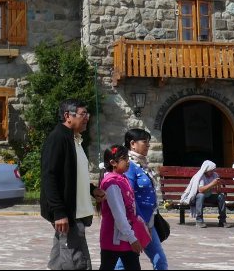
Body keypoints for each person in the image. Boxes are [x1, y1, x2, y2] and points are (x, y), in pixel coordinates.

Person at [40, 99, 103, 270]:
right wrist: (59, 212)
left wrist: (92, 190)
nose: (87, 118)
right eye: (83, 114)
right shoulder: (58, 139)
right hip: (68, 213)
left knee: (60, 259)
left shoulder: (74, 140)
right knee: (77, 262)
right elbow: (49, 177)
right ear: (68, 116)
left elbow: (73, 176)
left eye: (87, 114)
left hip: (74, 211)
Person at [117, 129, 166, 270]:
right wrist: (138, 221)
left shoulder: (143, 164)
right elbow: (129, 195)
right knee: (124, 263)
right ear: (132, 144)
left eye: (149, 142)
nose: (148, 145)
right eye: (145, 142)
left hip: (148, 221)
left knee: (160, 260)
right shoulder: (130, 166)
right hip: (136, 223)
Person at [99, 145, 150, 271]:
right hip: (114, 238)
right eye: (124, 158)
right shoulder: (111, 183)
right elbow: (119, 215)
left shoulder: (123, 178)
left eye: (127, 157)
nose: (128, 161)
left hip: (125, 236)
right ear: (113, 163)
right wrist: (132, 238)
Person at [183, 160, 227, 228]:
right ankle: (199, 220)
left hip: (208, 196)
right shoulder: (200, 176)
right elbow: (200, 190)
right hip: (198, 198)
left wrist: (218, 185)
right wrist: (212, 184)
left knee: (221, 196)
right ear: (207, 170)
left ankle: (222, 220)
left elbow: (218, 192)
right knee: (201, 195)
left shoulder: (215, 175)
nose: (213, 172)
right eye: (211, 170)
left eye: (213, 170)